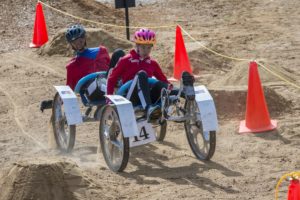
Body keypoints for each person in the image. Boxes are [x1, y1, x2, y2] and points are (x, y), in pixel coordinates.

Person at [106, 28, 172, 122]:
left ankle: (185, 94)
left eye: (149, 47)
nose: (146, 51)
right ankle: (148, 108)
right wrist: (109, 98)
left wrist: (172, 89)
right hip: (130, 96)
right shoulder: (125, 60)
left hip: (147, 95)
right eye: (143, 47)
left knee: (160, 85)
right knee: (142, 74)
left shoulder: (152, 63)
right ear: (137, 46)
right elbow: (112, 79)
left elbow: (163, 80)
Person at [65, 24, 110, 90]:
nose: (78, 44)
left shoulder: (102, 51)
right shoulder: (71, 66)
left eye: (80, 40)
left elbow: (111, 69)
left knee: (118, 53)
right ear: (71, 44)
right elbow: (70, 88)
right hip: (91, 95)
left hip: (109, 86)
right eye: (74, 42)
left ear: (84, 38)